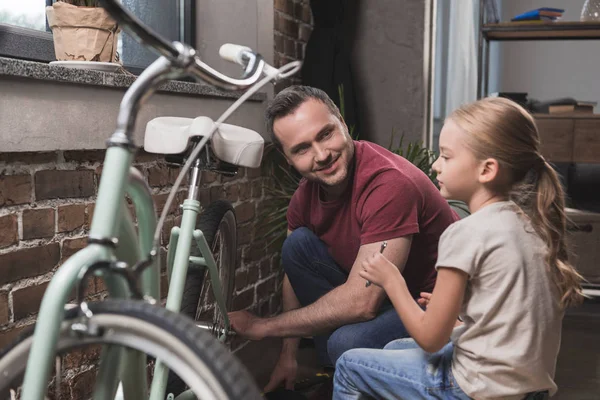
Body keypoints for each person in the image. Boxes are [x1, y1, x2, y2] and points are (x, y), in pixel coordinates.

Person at [333, 97, 584, 400]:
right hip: (529, 388)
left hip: (475, 388)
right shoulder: (530, 225)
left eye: (446, 157)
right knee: (393, 348)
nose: (436, 164)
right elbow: (510, 312)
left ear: (487, 170)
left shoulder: (465, 233)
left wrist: (392, 281)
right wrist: (460, 310)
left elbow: (430, 339)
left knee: (349, 365)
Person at [228, 85, 459, 392]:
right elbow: (293, 276)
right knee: (297, 247)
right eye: (302, 149)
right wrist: (288, 356)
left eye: (326, 134)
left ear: (342, 123)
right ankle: (345, 371)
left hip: (436, 307)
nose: (322, 155)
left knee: (346, 344)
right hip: (386, 292)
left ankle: (354, 368)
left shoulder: (388, 184)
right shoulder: (304, 198)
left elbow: (363, 302)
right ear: (288, 160)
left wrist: (262, 326)